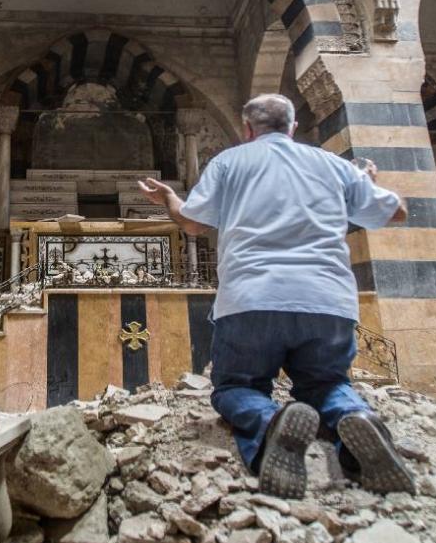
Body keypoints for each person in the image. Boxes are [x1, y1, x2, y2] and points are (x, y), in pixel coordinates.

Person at [137, 93, 415, 499]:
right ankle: (356, 418)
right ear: (293, 126)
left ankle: (269, 424)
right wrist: (365, 185)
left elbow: (192, 224)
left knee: (236, 387)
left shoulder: (230, 162)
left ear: (248, 129)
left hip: (251, 298)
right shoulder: (333, 165)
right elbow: (398, 212)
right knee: (325, 383)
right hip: (327, 301)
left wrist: (168, 198)